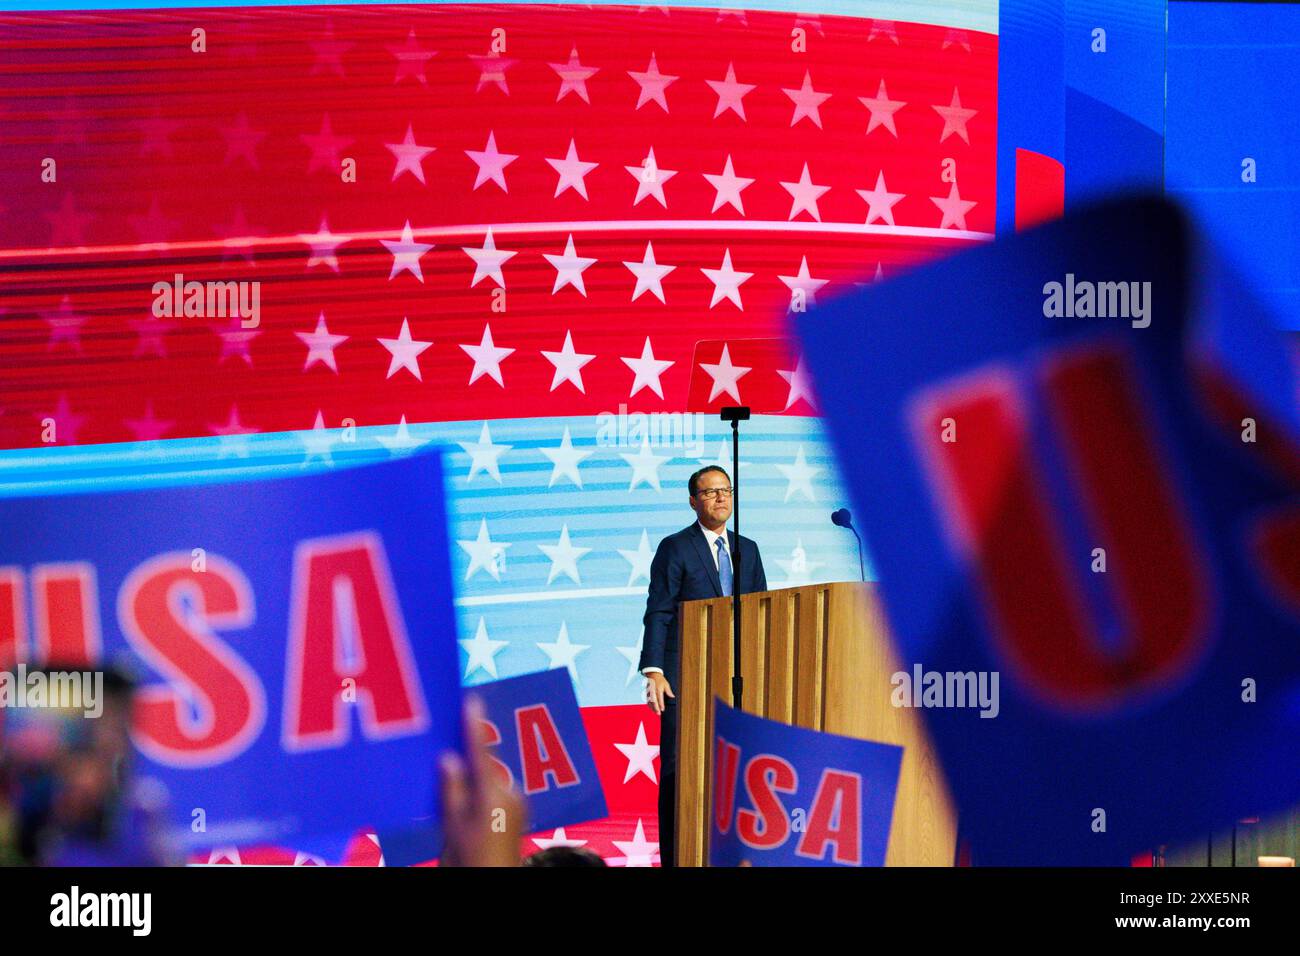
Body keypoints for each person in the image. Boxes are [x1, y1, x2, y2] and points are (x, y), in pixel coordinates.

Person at [638, 465, 766, 866]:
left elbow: (764, 610)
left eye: (726, 490)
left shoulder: (748, 548)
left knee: (739, 764)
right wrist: (655, 670)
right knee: (680, 767)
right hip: (683, 676)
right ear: (693, 501)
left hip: (739, 675)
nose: (721, 498)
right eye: (710, 493)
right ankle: (677, 856)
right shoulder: (675, 547)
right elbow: (659, 610)